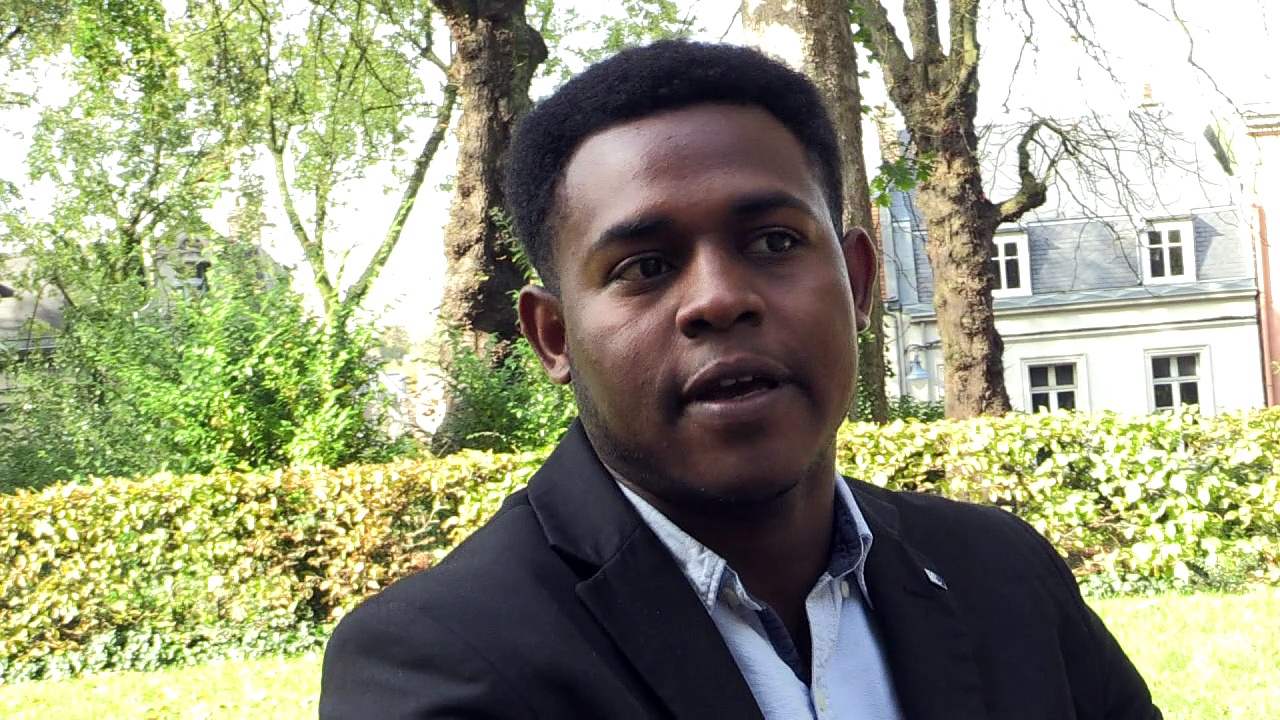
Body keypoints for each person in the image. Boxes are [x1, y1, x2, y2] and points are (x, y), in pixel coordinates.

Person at [319, 39, 1162, 720]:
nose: (719, 299)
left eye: (773, 243)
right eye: (645, 266)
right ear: (553, 335)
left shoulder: (1003, 574)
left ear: (859, 282)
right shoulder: (440, 661)